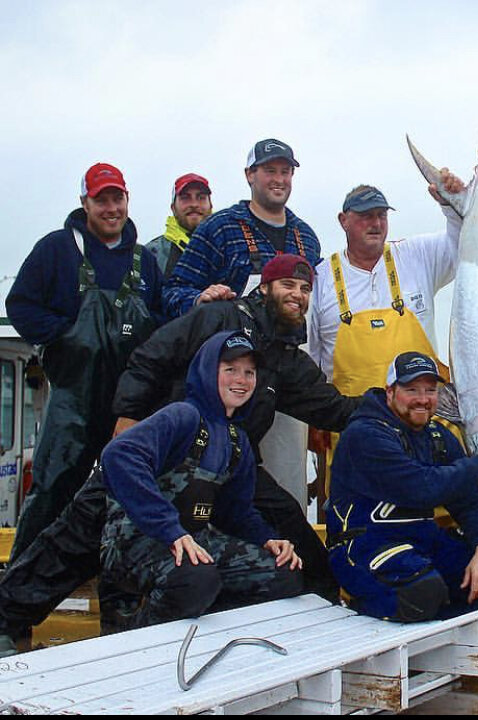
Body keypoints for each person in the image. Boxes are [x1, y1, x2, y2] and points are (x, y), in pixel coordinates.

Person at [0, 254, 361, 658]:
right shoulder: (217, 317)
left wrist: (398, 407)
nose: (298, 295)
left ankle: (314, 628)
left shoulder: (286, 360)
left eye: (305, 288)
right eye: (287, 285)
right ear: (264, 287)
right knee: (69, 546)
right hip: (161, 454)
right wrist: (128, 416)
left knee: (293, 538)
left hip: (229, 463)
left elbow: (335, 410)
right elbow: (151, 356)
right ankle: (7, 621)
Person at [5, 162, 163, 562]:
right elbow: (20, 305)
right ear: (84, 203)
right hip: (72, 400)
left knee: (132, 488)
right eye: (101, 200)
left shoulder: (144, 262)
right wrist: (65, 335)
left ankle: (120, 579)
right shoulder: (55, 249)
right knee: (53, 485)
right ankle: (19, 591)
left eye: (117, 198)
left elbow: (161, 323)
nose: (111, 208)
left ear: (127, 200)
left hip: (129, 403)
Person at [100, 331, 303, 630]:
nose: (241, 379)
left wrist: (266, 538)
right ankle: (136, 638)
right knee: (196, 578)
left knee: (283, 574)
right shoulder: (182, 416)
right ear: (209, 371)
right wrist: (169, 529)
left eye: (249, 372)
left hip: (196, 542)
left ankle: (211, 636)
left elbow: (236, 512)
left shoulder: (238, 440)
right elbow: (118, 455)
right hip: (138, 542)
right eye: (230, 369)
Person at [327, 352, 478, 622]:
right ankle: (380, 609)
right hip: (366, 546)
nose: (423, 399)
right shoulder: (365, 434)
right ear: (390, 392)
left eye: (430, 390)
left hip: (422, 543)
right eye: (411, 390)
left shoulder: (438, 436)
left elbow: (470, 501)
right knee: (424, 592)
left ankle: (446, 613)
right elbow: (423, 487)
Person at [307, 179, 463, 393]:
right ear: (343, 221)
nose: (376, 224)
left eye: (382, 215)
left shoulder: (417, 255)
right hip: (349, 421)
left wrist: (451, 204)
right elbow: (310, 358)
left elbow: (465, 243)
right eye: (366, 216)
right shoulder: (320, 277)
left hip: (421, 414)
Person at [163, 138, 320, 316]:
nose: (279, 179)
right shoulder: (219, 228)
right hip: (235, 341)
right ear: (249, 174)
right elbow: (172, 293)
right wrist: (199, 299)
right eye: (270, 171)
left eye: (285, 172)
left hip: (295, 342)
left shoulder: (307, 238)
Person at [146, 173, 213, 277]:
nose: (194, 204)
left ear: (210, 205)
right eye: (186, 198)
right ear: (173, 207)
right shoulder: (152, 253)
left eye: (201, 197)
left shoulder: (230, 246)